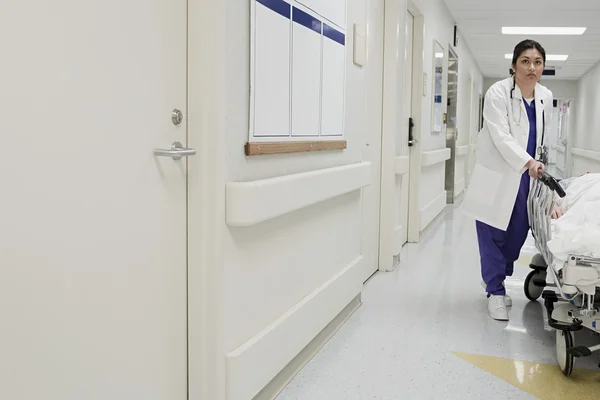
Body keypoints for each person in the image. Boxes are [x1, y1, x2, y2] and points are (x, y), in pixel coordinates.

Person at [462, 39, 554, 321]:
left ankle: (497, 276)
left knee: (516, 235)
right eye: (525, 61)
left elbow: (544, 139)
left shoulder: (545, 97)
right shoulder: (497, 92)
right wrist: (527, 161)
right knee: (491, 234)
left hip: (527, 178)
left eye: (537, 62)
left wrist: (542, 173)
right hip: (495, 174)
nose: (532, 67)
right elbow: (500, 136)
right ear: (514, 65)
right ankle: (495, 290)